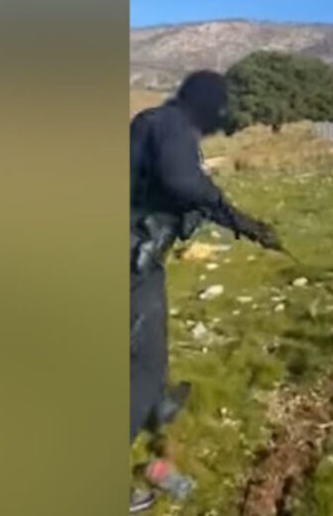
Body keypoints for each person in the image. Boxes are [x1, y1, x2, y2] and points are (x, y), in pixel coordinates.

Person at [129, 70, 281, 512]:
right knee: (144, 364)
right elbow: (184, 183)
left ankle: (155, 405)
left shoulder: (154, 124)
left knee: (145, 349)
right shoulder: (171, 124)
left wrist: (246, 226)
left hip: (135, 261)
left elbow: (180, 189)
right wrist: (222, 205)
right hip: (129, 266)